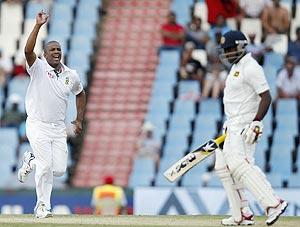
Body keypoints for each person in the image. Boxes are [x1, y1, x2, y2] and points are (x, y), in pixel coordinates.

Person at [17, 11, 86, 218]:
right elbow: (28, 50)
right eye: (52, 50)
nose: (56, 52)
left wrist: (79, 119)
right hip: (37, 124)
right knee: (46, 167)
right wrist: (38, 26)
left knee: (59, 171)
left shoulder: (71, 75)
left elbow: (81, 94)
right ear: (45, 54)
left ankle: (31, 160)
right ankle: (42, 206)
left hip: (58, 127)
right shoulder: (37, 67)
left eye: (58, 49)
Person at [215, 30, 287, 225]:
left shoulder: (251, 67)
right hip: (231, 125)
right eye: (225, 50)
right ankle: (241, 214)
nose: (227, 53)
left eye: (230, 49)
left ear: (241, 46)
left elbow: (266, 96)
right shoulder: (236, 67)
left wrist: (256, 122)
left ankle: (273, 204)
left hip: (244, 126)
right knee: (222, 167)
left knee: (240, 165)